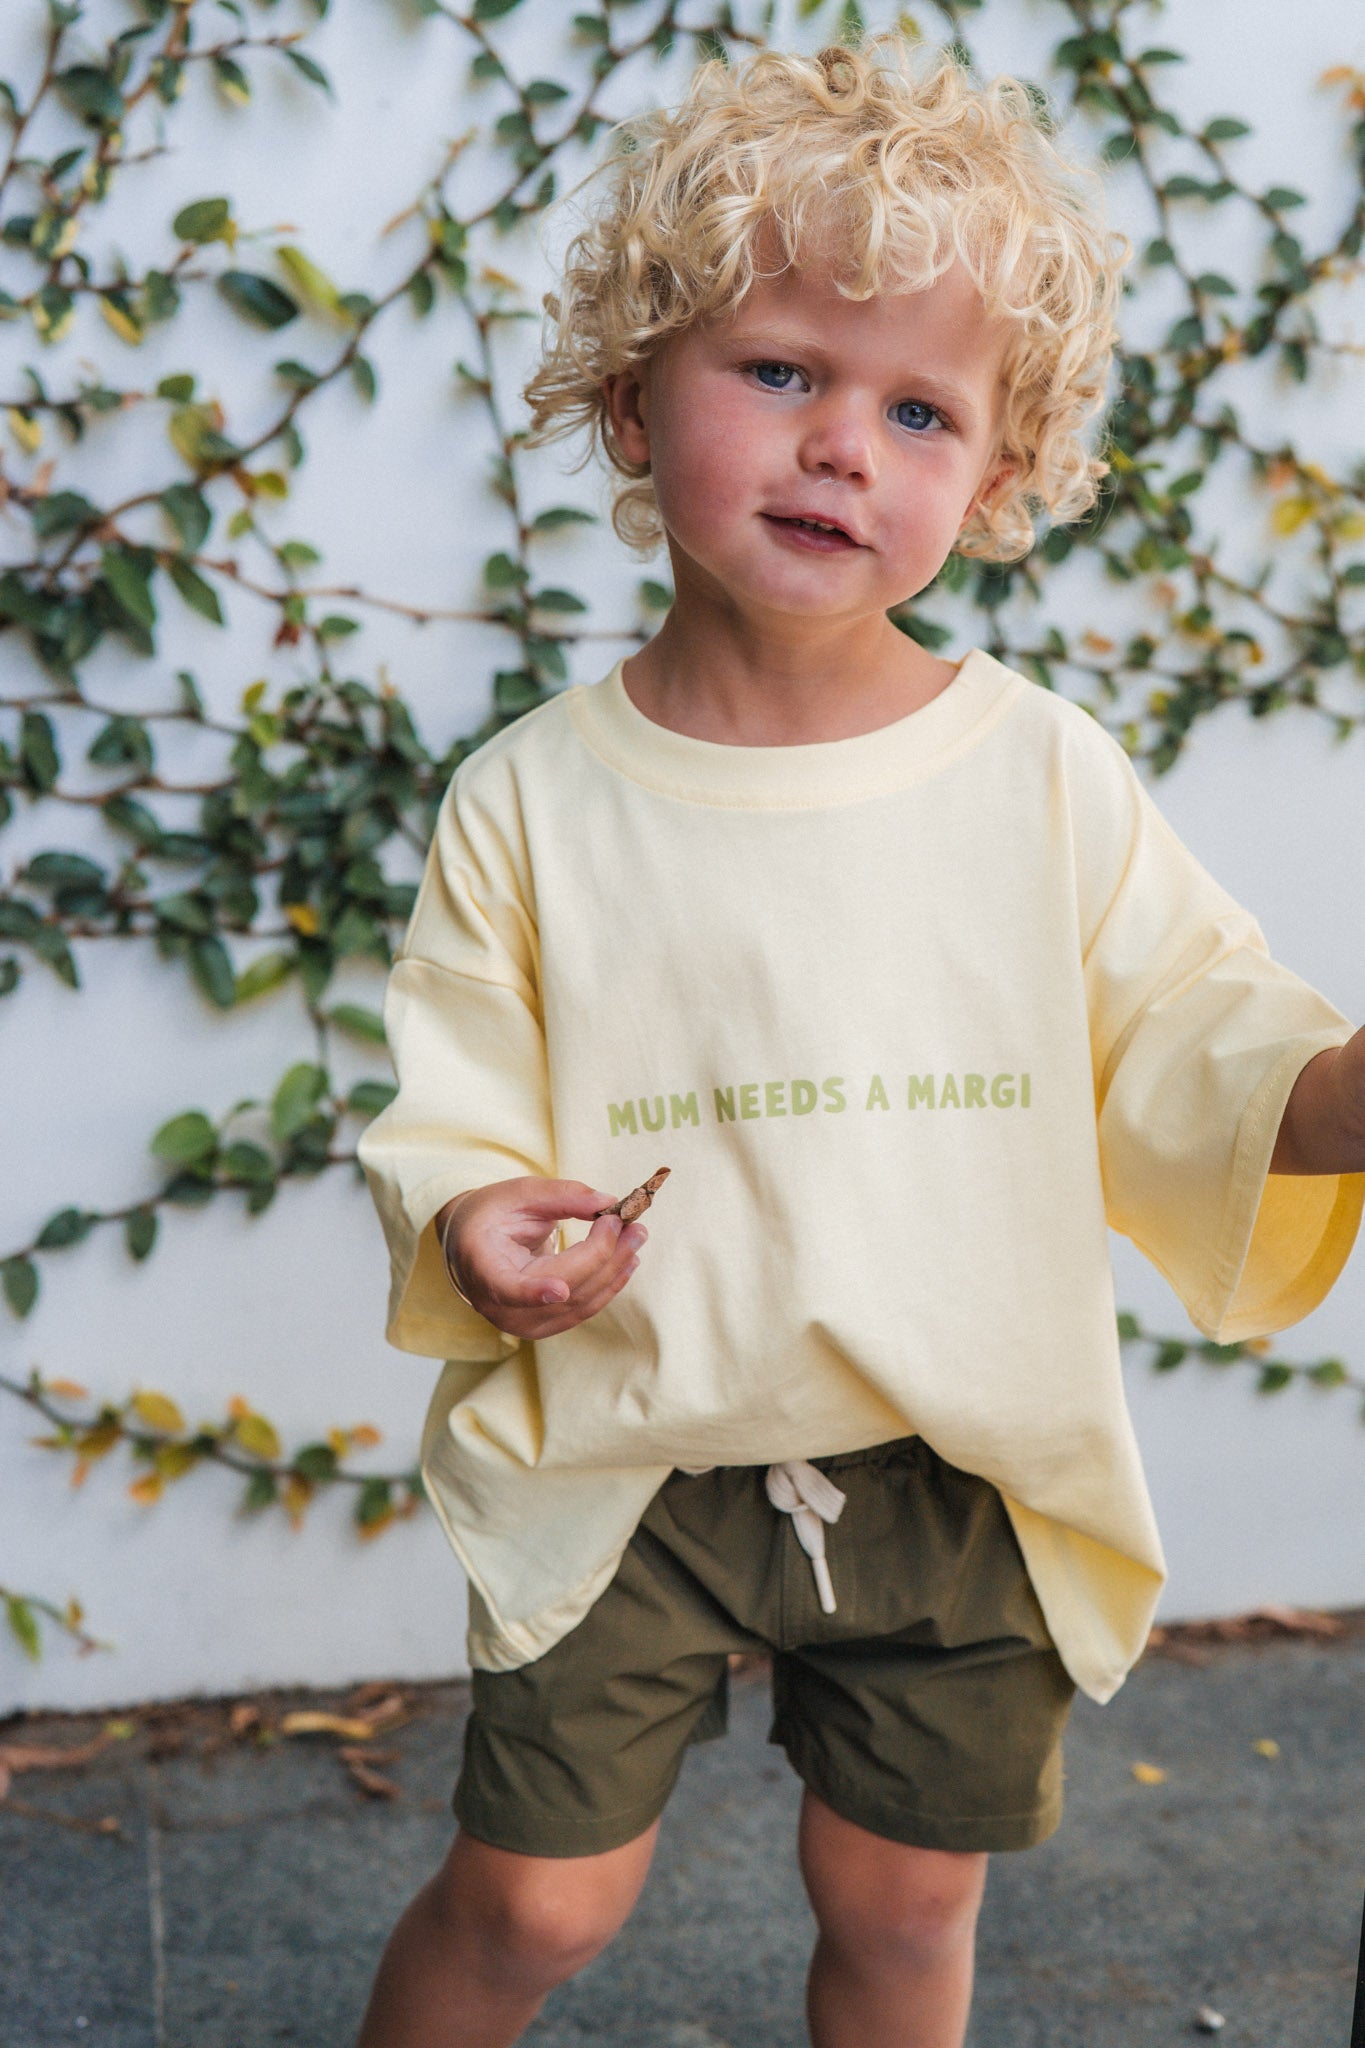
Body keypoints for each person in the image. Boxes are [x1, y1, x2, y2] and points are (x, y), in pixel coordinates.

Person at [352, 37, 1365, 2048]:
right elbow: (455, 1101)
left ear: (988, 484)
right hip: (628, 1451)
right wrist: (478, 1221)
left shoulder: (1038, 779)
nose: (841, 445)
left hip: (944, 1458)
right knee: (537, 1897)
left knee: (899, 1906)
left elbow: (1201, 1041)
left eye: (917, 407)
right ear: (634, 397)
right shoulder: (531, 803)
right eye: (781, 371)